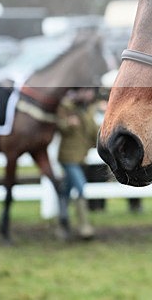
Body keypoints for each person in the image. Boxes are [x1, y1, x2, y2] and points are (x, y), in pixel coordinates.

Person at [56, 87, 99, 240]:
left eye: (91, 91)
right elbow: (59, 126)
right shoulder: (66, 107)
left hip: (81, 157)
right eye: (86, 91)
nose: (89, 94)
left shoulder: (88, 110)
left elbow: (94, 133)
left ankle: (62, 223)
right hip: (68, 157)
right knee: (80, 186)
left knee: (65, 191)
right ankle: (84, 226)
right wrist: (68, 123)